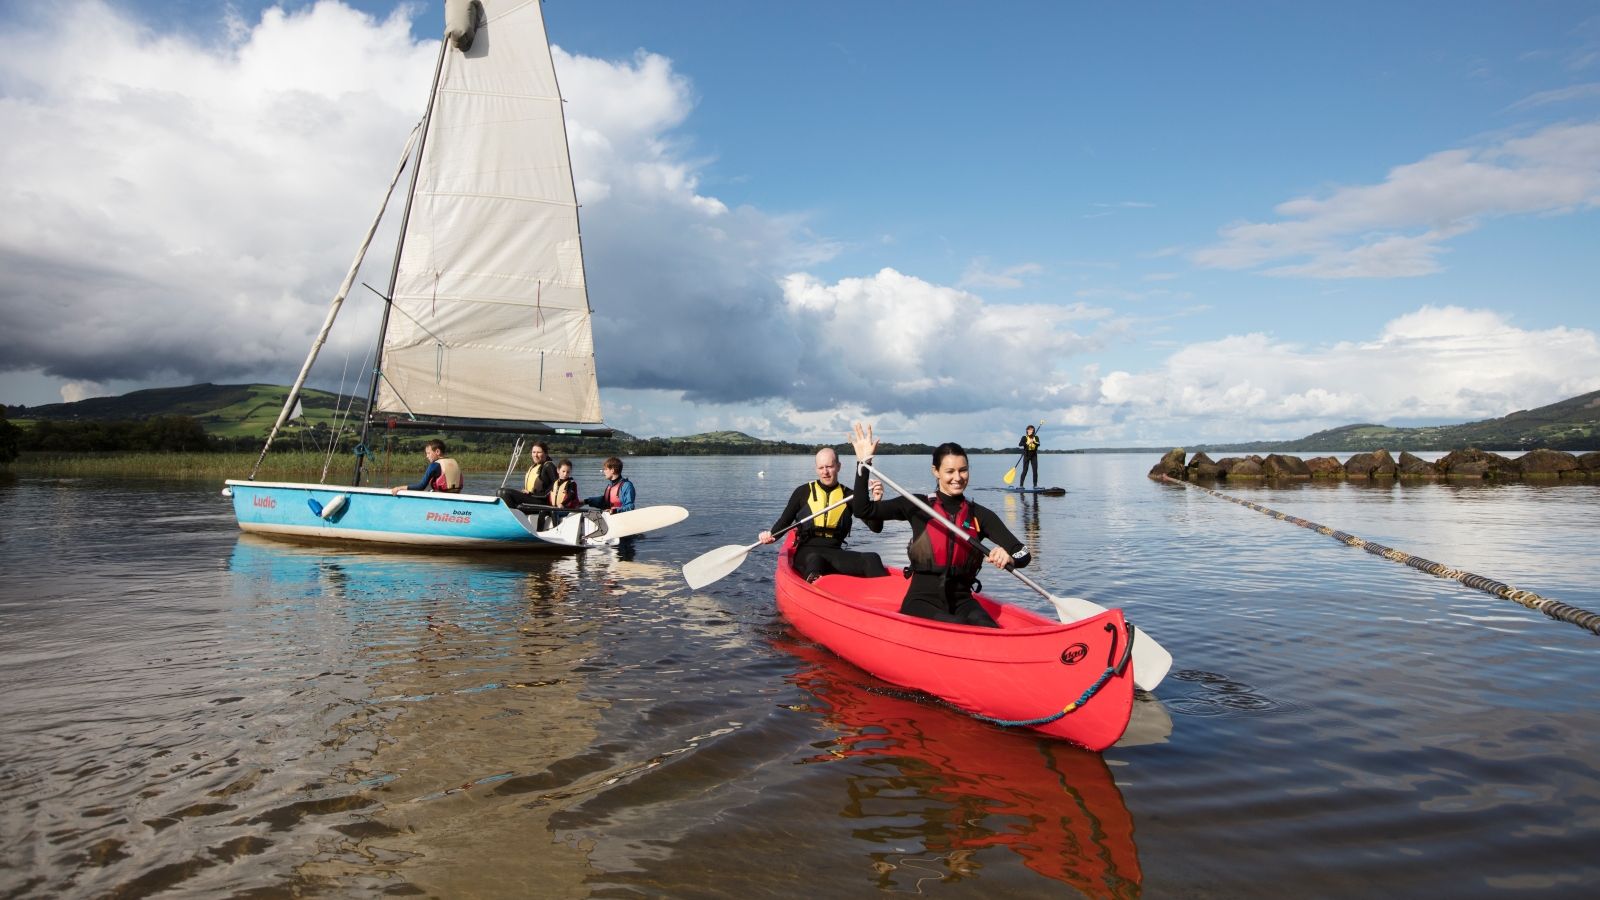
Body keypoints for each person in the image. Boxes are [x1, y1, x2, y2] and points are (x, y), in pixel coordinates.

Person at [848, 422, 1031, 628]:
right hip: (921, 600)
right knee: (957, 625)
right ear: (935, 471)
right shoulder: (918, 505)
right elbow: (863, 510)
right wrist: (863, 464)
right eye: (950, 471)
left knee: (989, 628)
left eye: (963, 470)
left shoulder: (980, 514)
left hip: (962, 600)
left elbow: (1023, 553)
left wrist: (1009, 558)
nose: (957, 477)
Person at [759, 448, 889, 582]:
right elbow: (784, 521)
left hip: (834, 552)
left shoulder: (849, 495)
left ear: (838, 466)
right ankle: (816, 588)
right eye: (821, 467)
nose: (825, 472)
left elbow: (876, 528)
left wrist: (877, 502)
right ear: (816, 469)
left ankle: (886, 594)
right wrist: (771, 536)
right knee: (816, 560)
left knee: (872, 559)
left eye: (829, 466)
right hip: (807, 553)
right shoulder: (802, 492)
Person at [497, 441, 558, 511]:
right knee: (500, 493)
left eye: (539, 452)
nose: (535, 455)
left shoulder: (548, 466)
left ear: (546, 453)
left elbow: (556, 486)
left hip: (541, 501)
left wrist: (533, 495)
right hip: (532, 498)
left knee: (503, 493)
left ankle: (512, 517)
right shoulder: (534, 466)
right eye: (534, 452)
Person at [390, 439, 462, 494]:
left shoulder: (434, 465)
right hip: (456, 495)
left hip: (441, 496)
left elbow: (421, 487)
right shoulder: (454, 462)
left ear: (437, 452)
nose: (427, 456)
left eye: (428, 453)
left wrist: (399, 488)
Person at [1016, 424, 1041, 490]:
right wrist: (1027, 443)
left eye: (1032, 430)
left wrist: (1034, 442)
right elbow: (1020, 444)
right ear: (1027, 431)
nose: (1031, 431)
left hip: (1034, 455)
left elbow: (1039, 444)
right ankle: (1021, 486)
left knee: (1035, 470)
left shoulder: (1036, 437)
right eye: (1029, 430)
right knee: (1025, 470)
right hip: (1026, 455)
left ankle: (1035, 485)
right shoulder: (1024, 437)